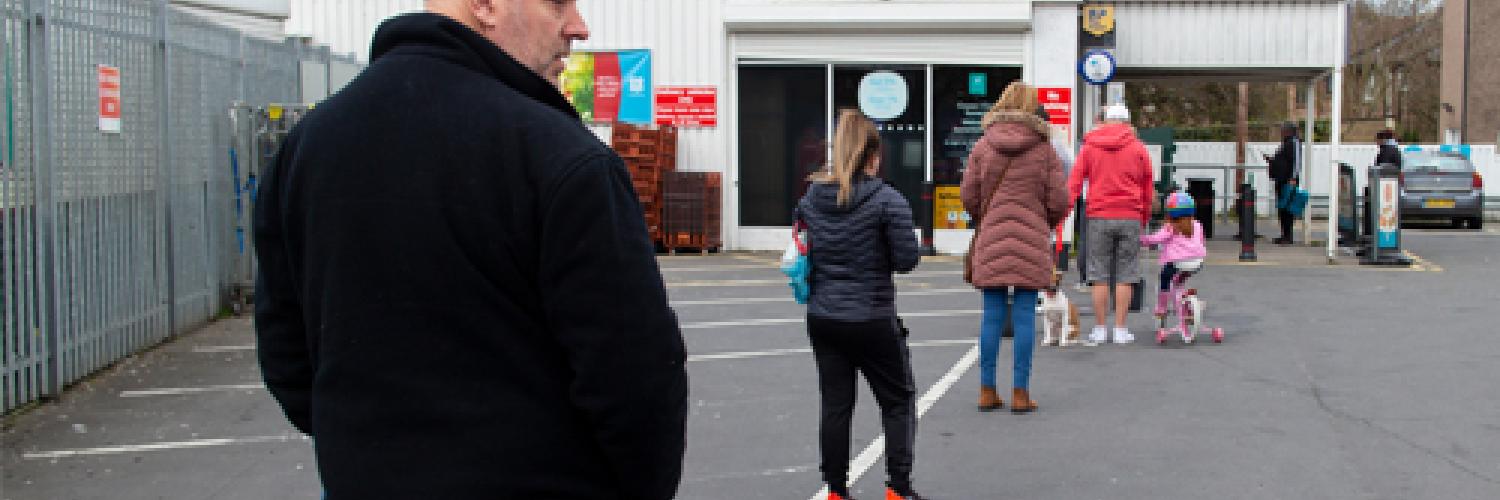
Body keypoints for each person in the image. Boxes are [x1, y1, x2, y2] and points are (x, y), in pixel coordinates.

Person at [253, 1, 688, 498]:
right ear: (484, 5)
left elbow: (287, 356)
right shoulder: (561, 158)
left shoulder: (307, 148)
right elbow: (637, 383)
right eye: (557, 3)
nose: (579, 27)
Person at [795, 109, 925, 500]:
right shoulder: (888, 200)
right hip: (871, 315)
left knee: (836, 405)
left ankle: (836, 490)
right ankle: (897, 488)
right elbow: (907, 260)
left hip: (824, 315)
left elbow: (803, 251)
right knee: (898, 401)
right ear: (874, 155)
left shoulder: (810, 198)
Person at [962, 82, 1070, 414]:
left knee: (991, 316)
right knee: (1024, 316)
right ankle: (1021, 393)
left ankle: (986, 389)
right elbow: (1059, 200)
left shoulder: (983, 145)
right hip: (1031, 238)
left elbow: (968, 195)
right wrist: (1042, 221)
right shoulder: (1044, 149)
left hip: (992, 235)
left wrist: (986, 215)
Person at [1067, 104, 1154, 345]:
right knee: (1126, 273)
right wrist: (1144, 215)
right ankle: (1120, 329)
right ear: (1127, 122)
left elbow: (1075, 181)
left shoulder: (1090, 147)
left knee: (1099, 274)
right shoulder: (1138, 148)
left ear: (1104, 121)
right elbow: (1148, 186)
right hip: (1130, 215)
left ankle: (1099, 328)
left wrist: (1065, 211)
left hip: (1098, 214)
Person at [1141, 193, 1208, 321]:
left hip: (1176, 262)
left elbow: (1156, 239)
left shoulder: (1170, 227)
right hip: (1197, 262)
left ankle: (1162, 308)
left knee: (1164, 280)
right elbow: (1201, 241)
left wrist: (1142, 240)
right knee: (1178, 282)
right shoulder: (1198, 225)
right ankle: (1187, 304)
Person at [1267, 122, 1303, 245]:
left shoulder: (1294, 142)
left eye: (1283, 130)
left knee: (1287, 209)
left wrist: (1293, 177)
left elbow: (1296, 162)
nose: (1282, 133)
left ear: (1289, 131)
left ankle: (1288, 236)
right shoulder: (1286, 143)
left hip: (1288, 181)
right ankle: (1284, 234)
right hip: (1281, 180)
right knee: (1282, 208)